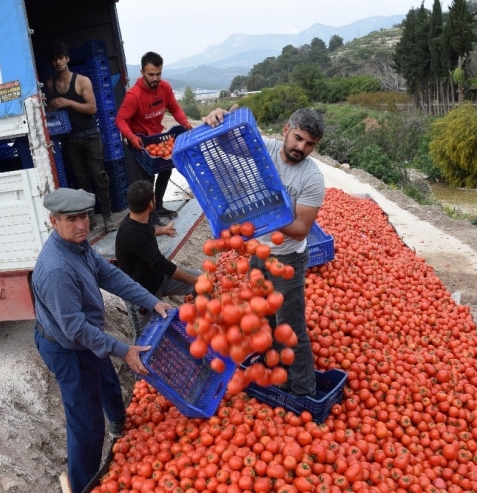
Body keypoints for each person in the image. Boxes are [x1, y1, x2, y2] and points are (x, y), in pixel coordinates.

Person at [32, 188, 172, 493]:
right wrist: (123, 349)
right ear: (53, 221)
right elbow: (75, 330)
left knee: (108, 380)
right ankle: (83, 484)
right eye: (72, 219)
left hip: (82, 337)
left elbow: (110, 275)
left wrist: (152, 300)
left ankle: (120, 424)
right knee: (86, 426)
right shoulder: (57, 268)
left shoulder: (78, 247)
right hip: (67, 348)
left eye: (84, 216)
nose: (82, 224)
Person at [202, 106, 326, 398]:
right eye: (297, 138)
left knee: (290, 325)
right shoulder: (264, 149)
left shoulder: (312, 178)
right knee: (267, 318)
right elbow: (224, 141)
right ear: (286, 129)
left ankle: (304, 390)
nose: (301, 148)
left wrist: (264, 215)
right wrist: (219, 118)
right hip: (259, 253)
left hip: (288, 258)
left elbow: (300, 229)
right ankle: (277, 372)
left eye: (309, 144)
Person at [44, 40, 116, 233]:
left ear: (67, 58)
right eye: (54, 59)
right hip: (70, 139)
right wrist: (51, 106)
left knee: (99, 177)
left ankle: (108, 219)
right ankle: (90, 220)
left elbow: (92, 108)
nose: (58, 62)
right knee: (81, 182)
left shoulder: (82, 80)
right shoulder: (50, 86)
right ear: (51, 63)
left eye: (61, 57)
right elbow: (47, 114)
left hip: (90, 135)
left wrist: (68, 102)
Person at [115, 51, 193, 224]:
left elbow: (174, 107)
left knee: (166, 170)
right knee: (146, 180)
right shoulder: (134, 96)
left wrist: (185, 123)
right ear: (142, 73)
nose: (155, 78)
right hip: (140, 143)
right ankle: (150, 217)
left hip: (158, 138)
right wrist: (130, 136)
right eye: (151, 74)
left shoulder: (164, 88)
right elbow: (120, 119)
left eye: (158, 74)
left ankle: (159, 206)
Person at [115, 180, 199, 325]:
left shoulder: (135, 219)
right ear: (151, 205)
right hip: (141, 296)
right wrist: (193, 280)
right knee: (143, 340)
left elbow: (148, 230)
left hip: (159, 279)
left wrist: (163, 230)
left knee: (202, 280)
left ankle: (204, 322)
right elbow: (160, 263)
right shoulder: (131, 233)